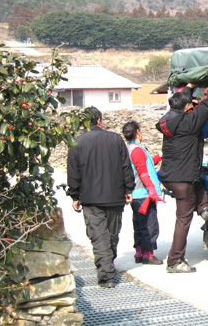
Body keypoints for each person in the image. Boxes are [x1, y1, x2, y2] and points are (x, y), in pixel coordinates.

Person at [66, 106, 134, 288]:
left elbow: (73, 173)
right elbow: (126, 166)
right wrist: (129, 188)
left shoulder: (76, 142)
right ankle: (107, 270)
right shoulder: (115, 139)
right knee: (111, 235)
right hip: (115, 196)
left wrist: (75, 194)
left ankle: (106, 274)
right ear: (99, 121)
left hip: (90, 197)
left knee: (100, 236)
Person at [156, 79, 208, 273]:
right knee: (183, 219)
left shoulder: (167, 120)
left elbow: (183, 101)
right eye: (190, 104)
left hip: (169, 176)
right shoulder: (189, 122)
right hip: (183, 179)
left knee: (197, 183)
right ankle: (174, 260)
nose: (192, 106)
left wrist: (190, 87)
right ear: (186, 107)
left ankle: (203, 208)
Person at [122, 121, 165, 265]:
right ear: (138, 132)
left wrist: (159, 156)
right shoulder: (138, 150)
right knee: (149, 225)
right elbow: (143, 172)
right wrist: (152, 190)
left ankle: (139, 252)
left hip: (136, 194)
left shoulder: (131, 149)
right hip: (144, 194)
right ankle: (149, 254)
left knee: (139, 224)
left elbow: (146, 165)